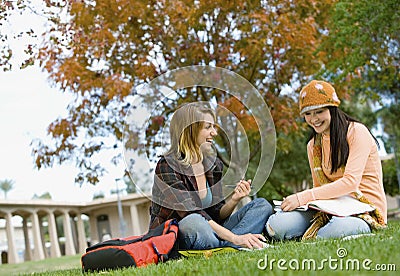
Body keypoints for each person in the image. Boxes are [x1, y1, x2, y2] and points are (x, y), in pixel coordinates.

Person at [266, 80, 387, 240]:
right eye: (307, 114)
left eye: (319, 111)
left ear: (332, 108)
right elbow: (318, 187)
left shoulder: (357, 132)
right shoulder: (313, 145)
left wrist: (301, 197)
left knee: (336, 230)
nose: (313, 119)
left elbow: (350, 182)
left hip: (364, 206)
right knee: (277, 225)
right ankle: (313, 230)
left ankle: (315, 233)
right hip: (331, 207)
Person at [149, 102, 272, 249]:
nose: (214, 132)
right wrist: (235, 237)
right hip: (182, 235)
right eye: (208, 127)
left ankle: (225, 247)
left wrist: (234, 200)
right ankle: (231, 244)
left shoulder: (213, 165)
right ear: (190, 130)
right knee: (194, 221)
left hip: (211, 232)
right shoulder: (166, 166)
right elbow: (190, 211)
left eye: (213, 127)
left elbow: (217, 214)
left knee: (261, 205)